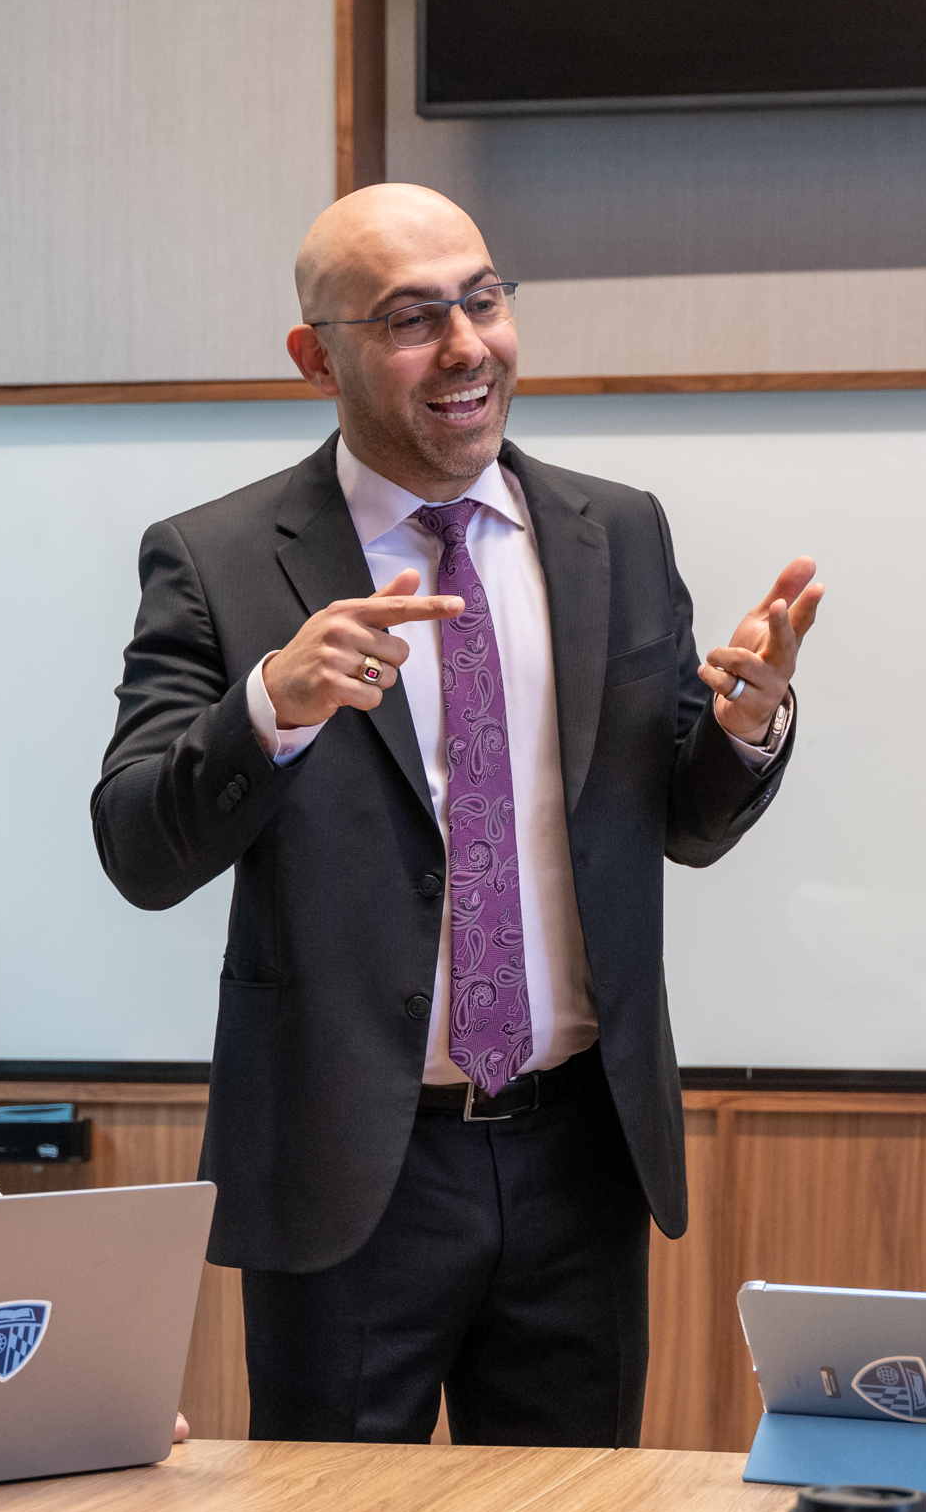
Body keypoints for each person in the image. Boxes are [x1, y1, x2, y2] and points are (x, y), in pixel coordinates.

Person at [90, 182, 823, 1445]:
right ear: (314, 356)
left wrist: (749, 723)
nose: (467, 345)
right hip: (349, 1165)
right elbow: (139, 849)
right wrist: (269, 703)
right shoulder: (216, 560)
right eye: (411, 319)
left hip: (577, 1153)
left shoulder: (617, 534)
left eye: (482, 300)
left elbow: (681, 822)